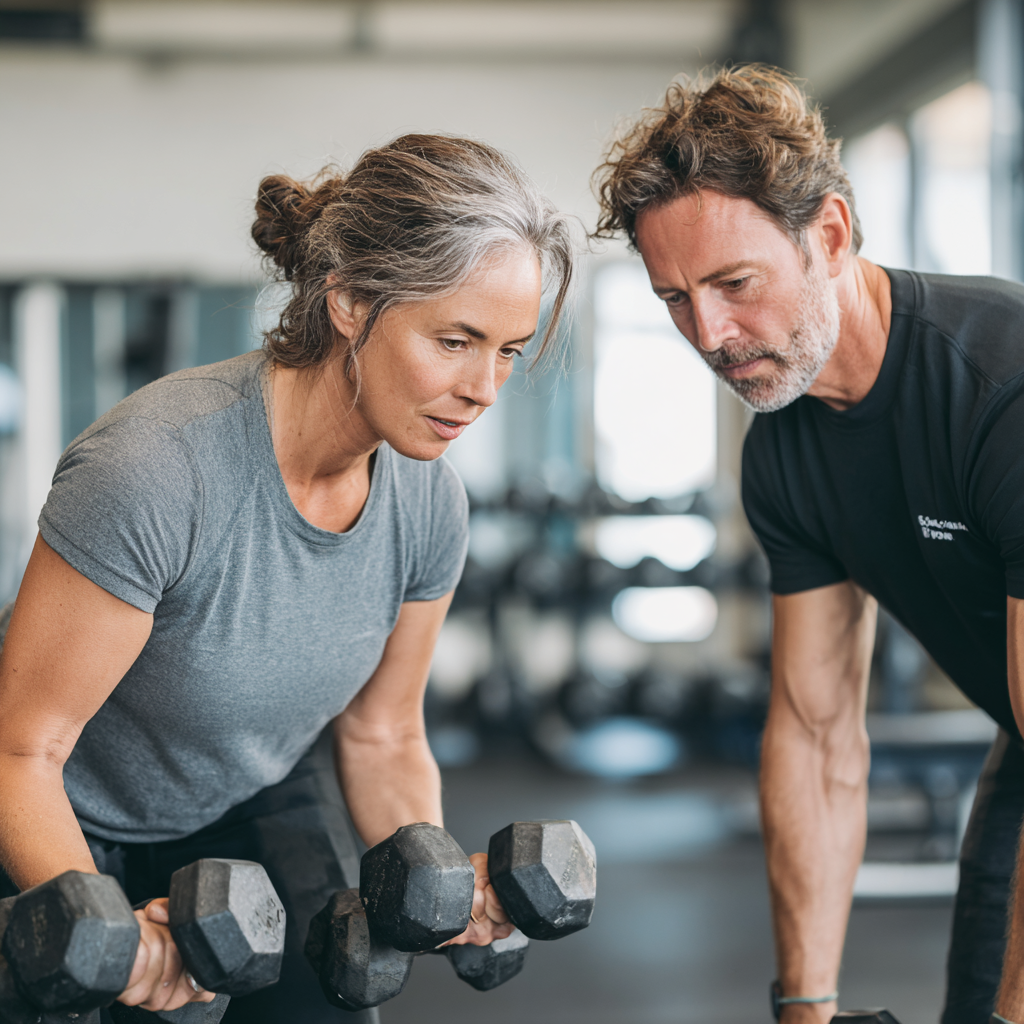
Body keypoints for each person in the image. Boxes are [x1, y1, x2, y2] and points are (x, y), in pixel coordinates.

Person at [0, 133, 576, 1023]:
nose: (484, 387)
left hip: (248, 799)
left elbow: (384, 734)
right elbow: (21, 750)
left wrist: (428, 885)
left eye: (507, 350)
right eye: (455, 340)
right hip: (59, 815)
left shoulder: (428, 504)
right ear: (348, 301)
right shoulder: (158, 470)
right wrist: (107, 932)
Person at [594, 63, 1024, 1024]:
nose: (708, 332)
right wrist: (805, 1008)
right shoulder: (784, 454)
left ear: (828, 234)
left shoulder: (1001, 387)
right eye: (674, 298)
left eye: (734, 283)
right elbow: (817, 733)